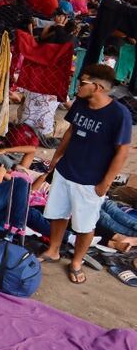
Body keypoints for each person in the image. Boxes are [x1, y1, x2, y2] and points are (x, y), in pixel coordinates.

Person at [36, 64, 132, 284]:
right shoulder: (80, 103)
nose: (76, 87)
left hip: (91, 181)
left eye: (82, 83)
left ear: (97, 87)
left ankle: (77, 261)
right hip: (66, 170)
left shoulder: (119, 115)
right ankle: (53, 249)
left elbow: (122, 152)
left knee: (85, 225)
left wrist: (105, 183)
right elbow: (70, 130)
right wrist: (55, 159)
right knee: (58, 214)